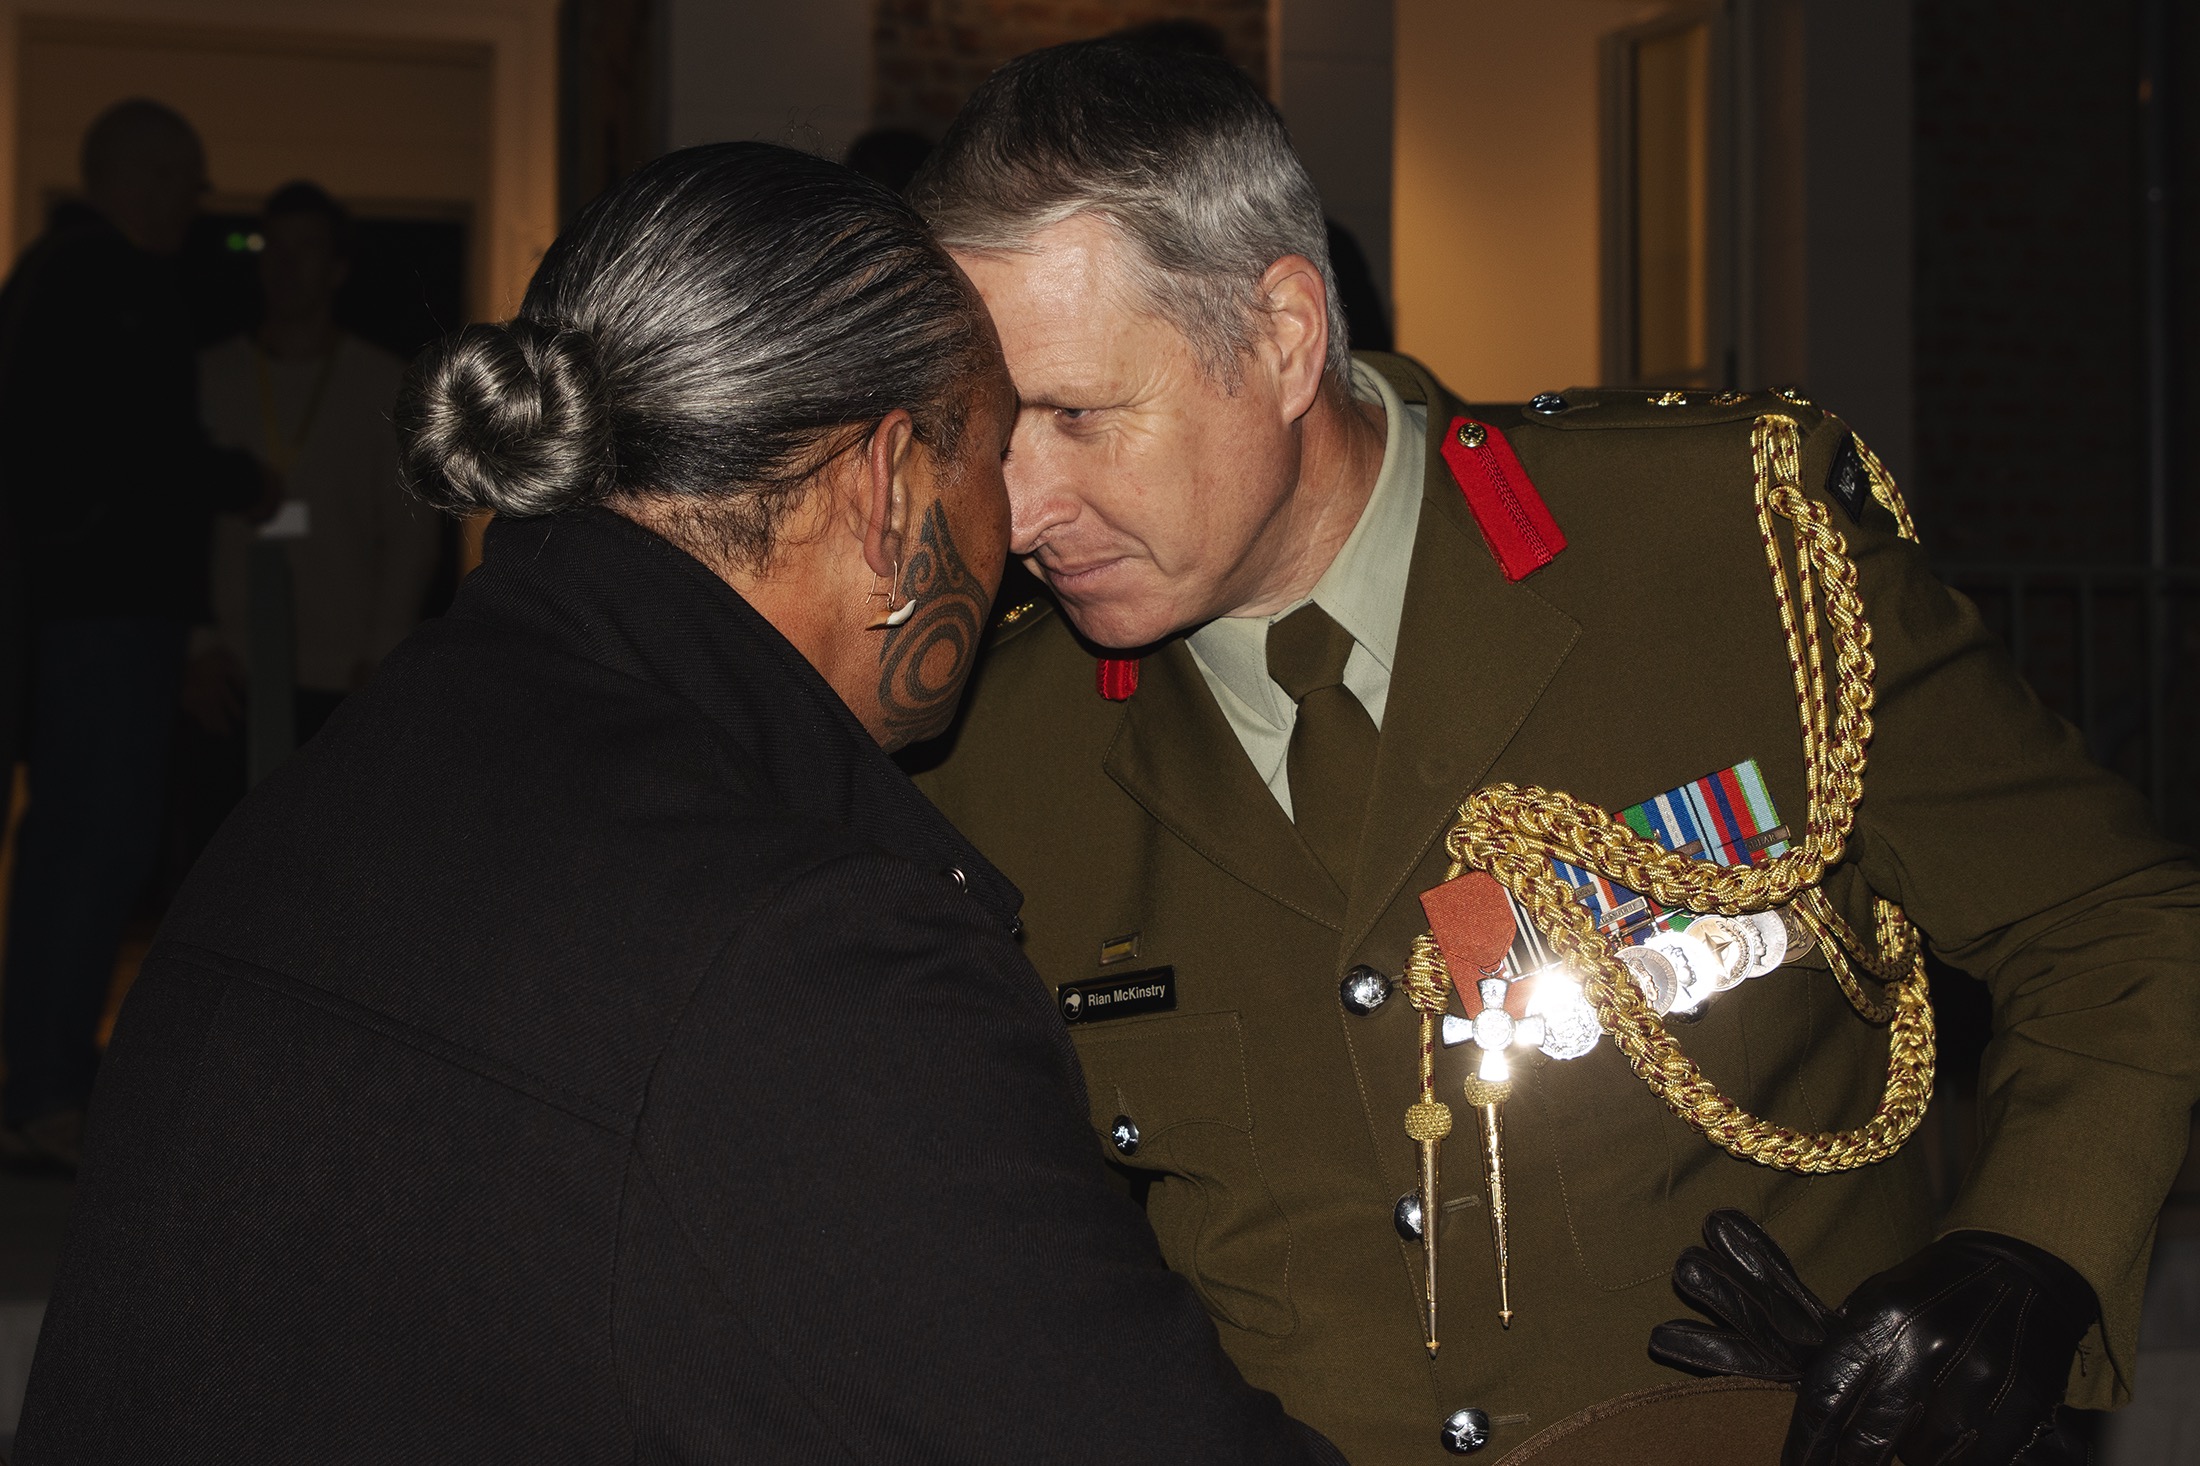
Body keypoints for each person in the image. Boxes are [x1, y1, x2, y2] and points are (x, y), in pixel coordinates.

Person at [908, 41, 2200, 1464]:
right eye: (980, 431)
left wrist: (2028, 1252)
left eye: (1077, 415)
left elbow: (2114, 923)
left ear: (1281, 337)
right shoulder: (993, 753)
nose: (1020, 507)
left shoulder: (1721, 561)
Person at [14, 141, 1344, 1465]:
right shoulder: (805, 955)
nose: (1022, 532)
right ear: (886, 485)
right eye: (992, 454)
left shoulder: (346, 777)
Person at [0, 99, 277, 1170]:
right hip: (105, 612)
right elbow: (136, 452)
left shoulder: (48, 278)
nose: (193, 208)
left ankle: (45, 1073)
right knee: (93, 842)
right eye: (187, 183)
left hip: (72, 609)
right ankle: (51, 1084)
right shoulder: (112, 287)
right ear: (144, 180)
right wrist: (236, 477)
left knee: (74, 840)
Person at [188, 180, 439, 749]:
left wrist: (382, 653)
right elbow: (172, 521)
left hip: (343, 674)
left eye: (306, 248)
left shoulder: (383, 382)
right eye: (273, 245)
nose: (286, 264)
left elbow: (410, 530)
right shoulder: (210, 375)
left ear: (337, 269)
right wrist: (196, 645)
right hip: (230, 671)